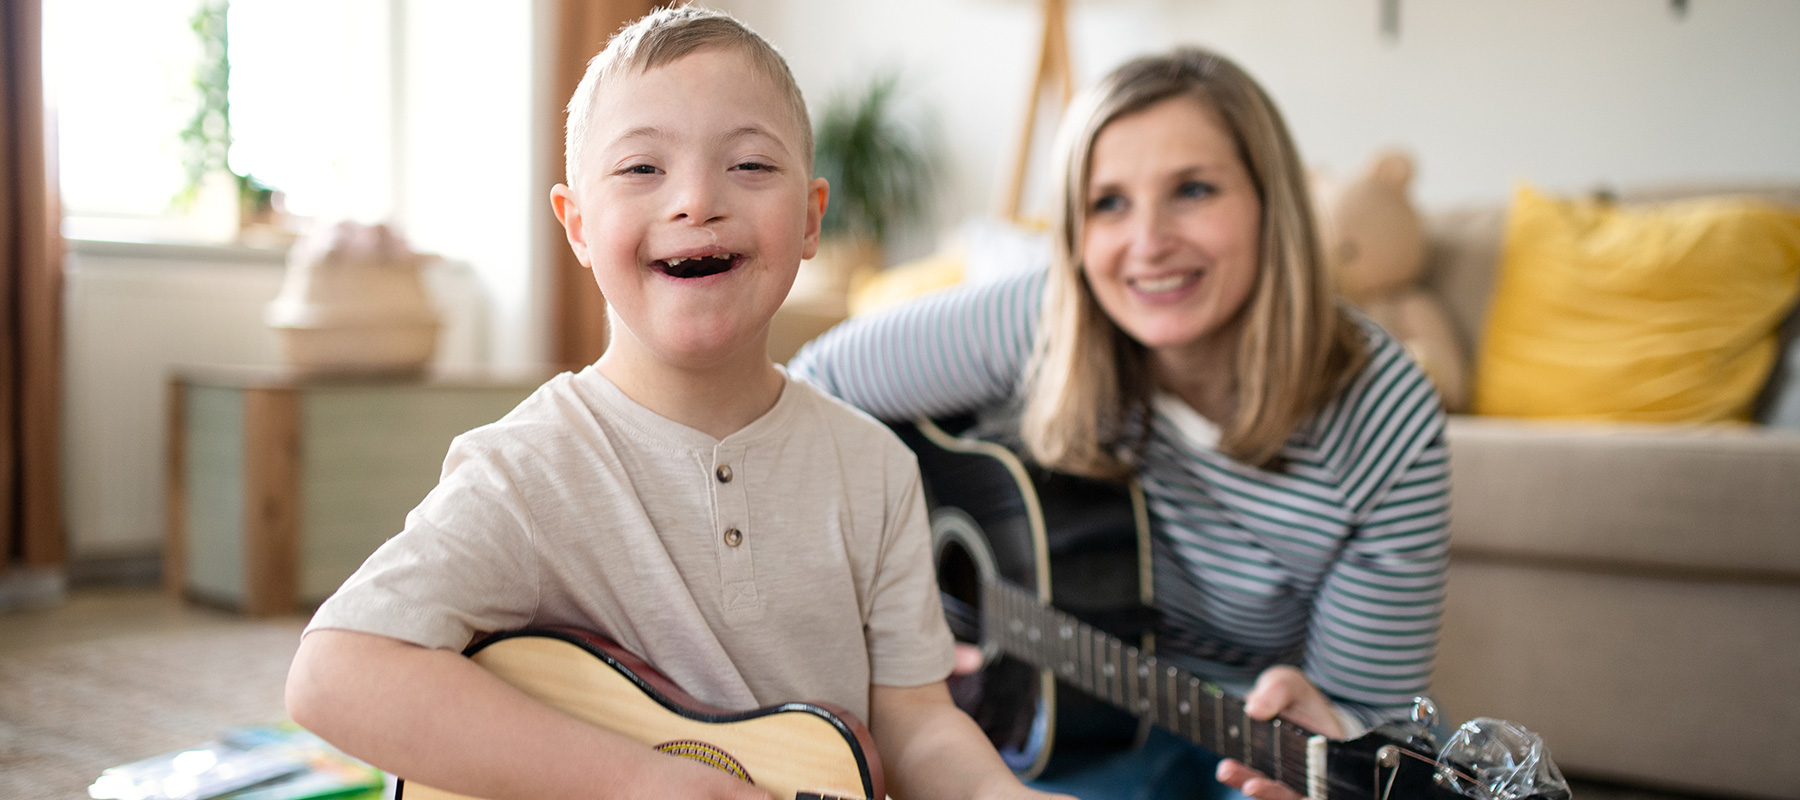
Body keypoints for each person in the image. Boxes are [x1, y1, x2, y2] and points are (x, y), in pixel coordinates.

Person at [285, 9, 1072, 800]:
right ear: (579, 226)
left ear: (810, 217)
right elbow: (333, 674)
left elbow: (916, 725)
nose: (696, 200)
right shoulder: (526, 470)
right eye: (641, 169)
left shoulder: (877, 469)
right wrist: (639, 782)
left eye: (752, 165)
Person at [788, 46, 1449, 800]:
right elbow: (813, 387)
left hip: (1236, 744)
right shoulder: (1043, 315)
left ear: (1274, 206)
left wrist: (1332, 728)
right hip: (1045, 727)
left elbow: (1365, 719)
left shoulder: (1387, 417)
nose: (1148, 243)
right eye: (1108, 203)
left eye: (1193, 190)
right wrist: (894, 595)